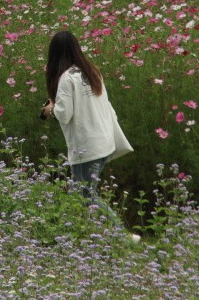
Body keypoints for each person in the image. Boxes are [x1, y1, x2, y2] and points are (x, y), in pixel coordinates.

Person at [40, 29, 138, 241]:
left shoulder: (67, 78)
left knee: (85, 195)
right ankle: (80, 237)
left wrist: (50, 110)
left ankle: (123, 236)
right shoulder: (92, 71)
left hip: (87, 146)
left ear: (54, 54)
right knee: (80, 194)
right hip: (103, 140)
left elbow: (65, 114)